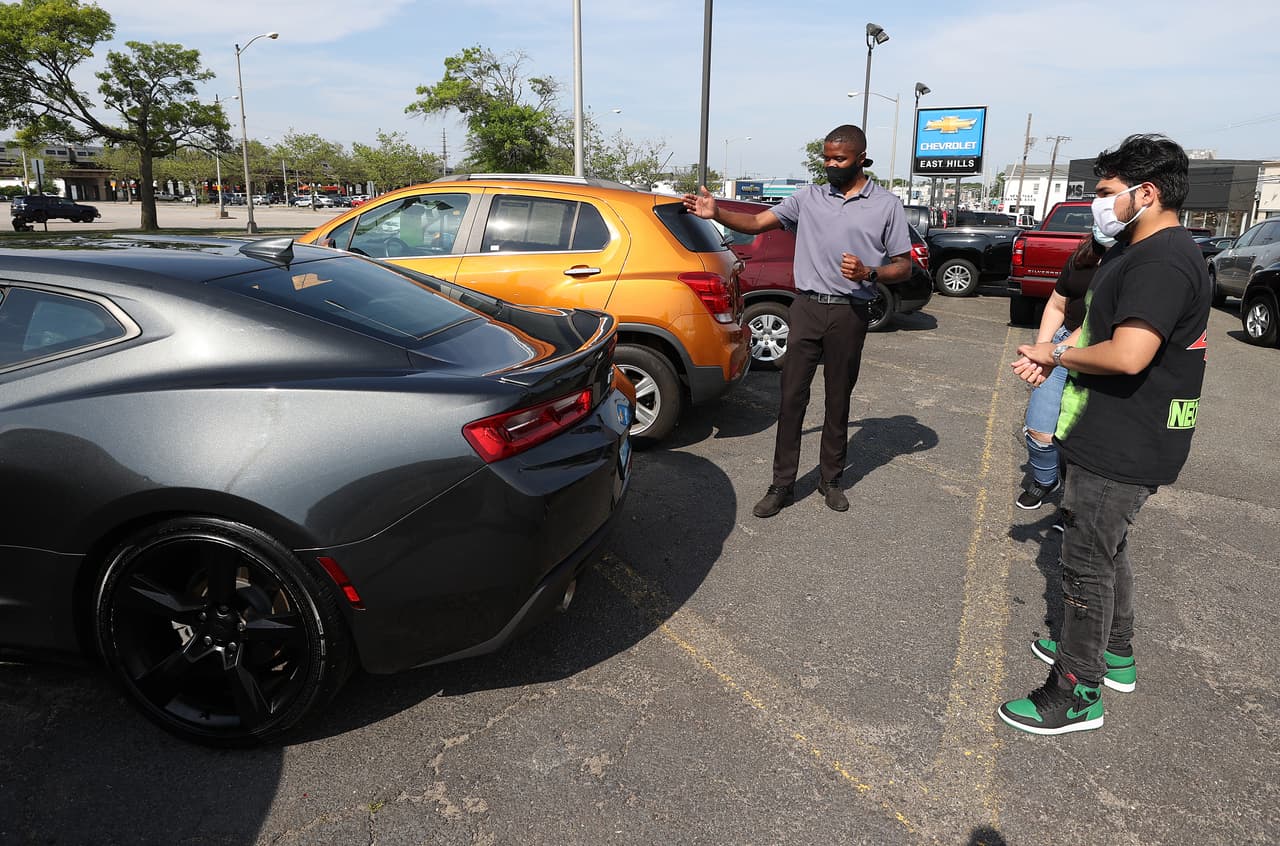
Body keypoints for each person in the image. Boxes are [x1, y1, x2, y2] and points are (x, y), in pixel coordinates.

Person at [1000, 134, 1211, 735]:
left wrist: (1058, 357)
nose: (1096, 204)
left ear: (1146, 194)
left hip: (1129, 438)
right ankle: (1113, 653)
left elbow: (1128, 354)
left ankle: (1076, 690)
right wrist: (1056, 351)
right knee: (1107, 549)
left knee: (1086, 561)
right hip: (1109, 429)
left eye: (1105, 194)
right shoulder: (1134, 248)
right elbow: (1086, 312)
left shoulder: (1163, 261)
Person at [683, 124, 912, 517]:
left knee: (838, 400)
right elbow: (756, 224)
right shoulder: (808, 198)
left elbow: (904, 266)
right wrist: (716, 211)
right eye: (826, 157)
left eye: (838, 158)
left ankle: (831, 479)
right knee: (791, 399)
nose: (830, 164)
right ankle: (782, 484)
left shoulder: (886, 205)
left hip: (850, 311)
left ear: (860, 158)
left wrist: (870, 273)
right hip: (805, 308)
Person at [1015, 231, 1111, 514]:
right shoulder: (1083, 256)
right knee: (1039, 428)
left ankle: (1075, 509)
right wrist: (1043, 348)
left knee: (1083, 442)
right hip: (1063, 342)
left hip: (1100, 351)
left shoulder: (1130, 262)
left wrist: (1049, 356)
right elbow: (1058, 304)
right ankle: (1046, 480)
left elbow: (1096, 321)